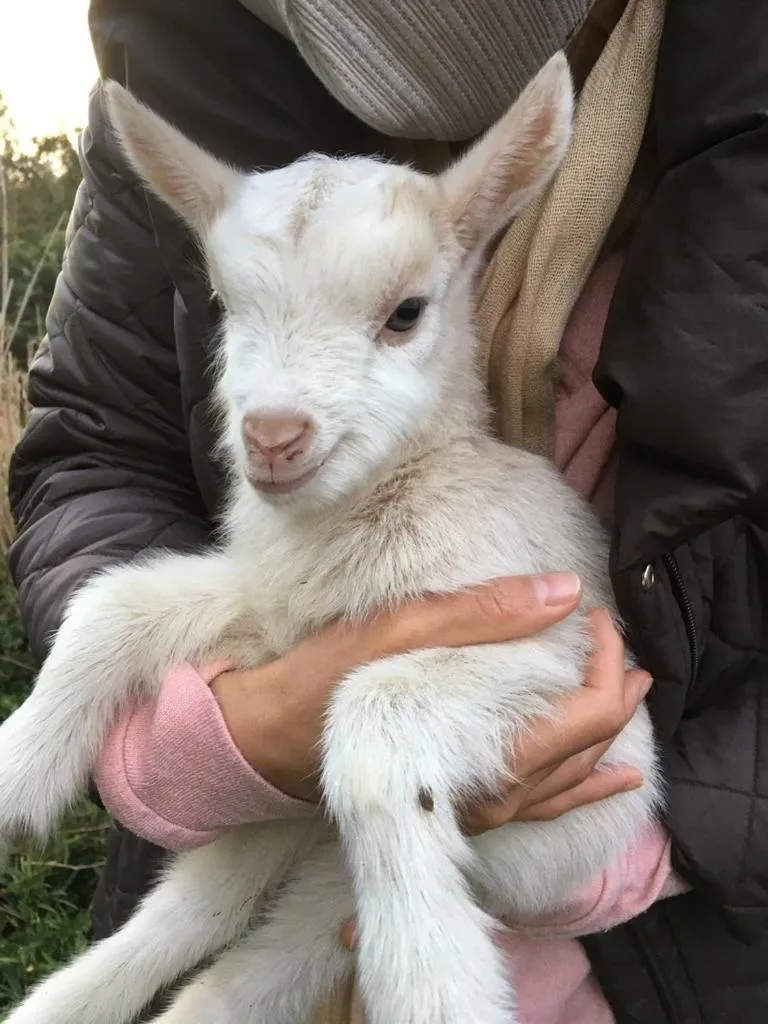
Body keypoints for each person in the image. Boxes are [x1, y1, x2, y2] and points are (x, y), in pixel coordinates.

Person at [7, 0, 768, 1021]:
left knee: (374, 736)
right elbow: (99, 443)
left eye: (401, 314)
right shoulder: (192, 51)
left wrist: (663, 843)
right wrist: (199, 739)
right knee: (213, 939)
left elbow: (548, 683)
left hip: (650, 929)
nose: (274, 422)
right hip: (294, 818)